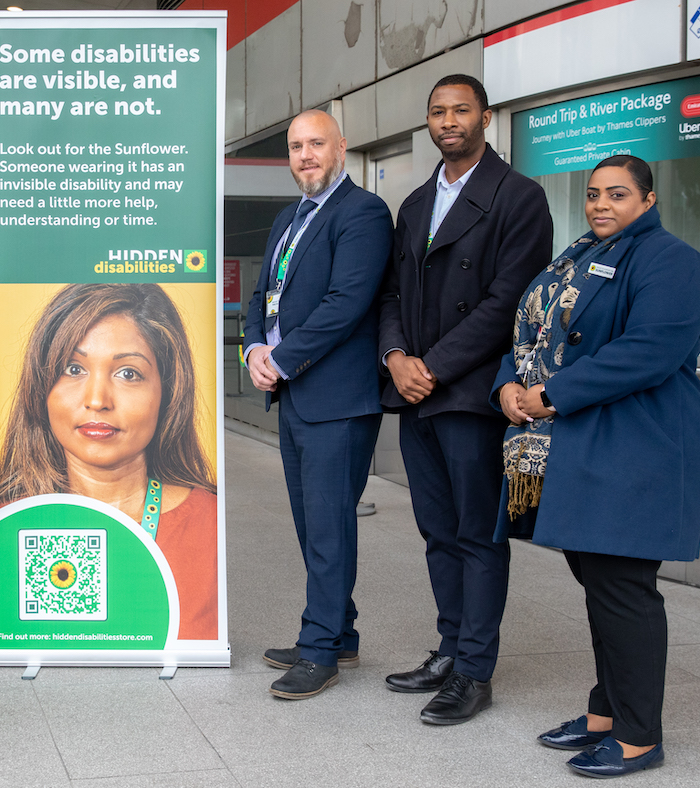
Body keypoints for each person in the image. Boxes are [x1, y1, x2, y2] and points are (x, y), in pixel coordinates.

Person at [494, 156, 700, 779]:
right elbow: (531, 337)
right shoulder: (574, 258)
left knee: (623, 590)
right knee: (600, 586)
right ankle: (606, 713)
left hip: (634, 449)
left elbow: (648, 351)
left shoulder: (670, 260)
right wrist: (508, 388)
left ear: (647, 199)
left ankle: (640, 735)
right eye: (593, 194)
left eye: (617, 194)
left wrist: (549, 395)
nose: (600, 204)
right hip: (572, 449)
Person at [376, 74, 553, 724]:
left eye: (461, 110)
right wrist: (397, 361)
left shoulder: (519, 197)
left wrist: (433, 367)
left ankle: (474, 670)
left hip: (471, 395)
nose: (448, 120)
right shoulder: (417, 203)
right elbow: (390, 294)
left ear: (484, 118)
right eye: (438, 111)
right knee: (437, 532)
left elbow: (507, 303)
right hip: (416, 396)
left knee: (478, 536)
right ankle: (449, 650)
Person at [243, 108, 392, 700]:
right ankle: (341, 632)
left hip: (339, 399)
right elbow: (264, 293)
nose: (305, 155)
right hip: (295, 396)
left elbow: (345, 303)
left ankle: (320, 647)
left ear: (342, 147)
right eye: (296, 146)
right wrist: (253, 347)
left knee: (329, 527)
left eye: (316, 144)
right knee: (311, 524)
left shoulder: (363, 213)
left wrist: (280, 359)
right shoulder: (289, 216)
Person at [0, 283, 219, 641]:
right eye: (73, 368)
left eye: (128, 373)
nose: (97, 400)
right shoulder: (0, 521)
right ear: (41, 386)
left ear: (168, 390)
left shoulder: (210, 522)